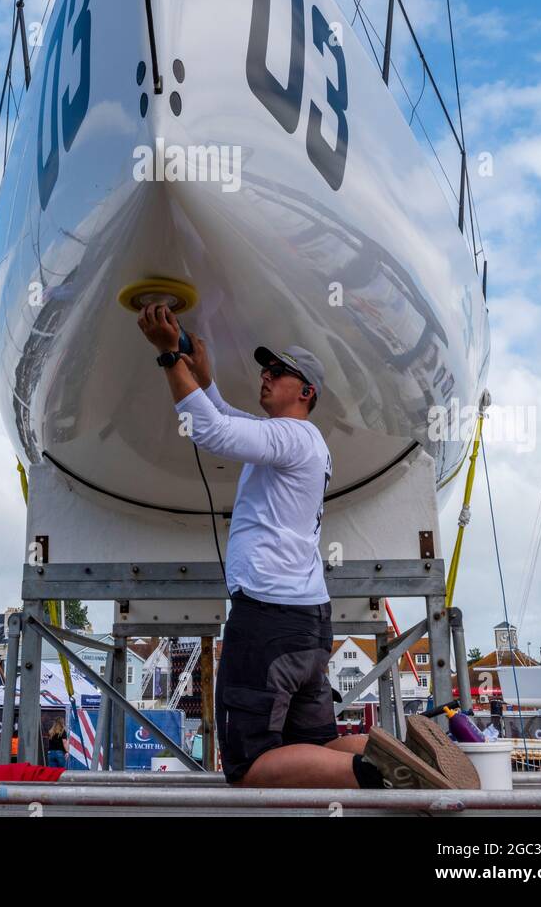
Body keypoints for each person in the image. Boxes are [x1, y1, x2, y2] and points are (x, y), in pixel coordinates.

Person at [137, 305, 480, 792]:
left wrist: (170, 355)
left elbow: (211, 431)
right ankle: (409, 754)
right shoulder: (301, 441)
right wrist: (206, 380)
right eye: (265, 369)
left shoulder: (293, 437)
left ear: (306, 391)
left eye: (277, 372)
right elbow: (228, 418)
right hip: (303, 622)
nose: (265, 376)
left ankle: (377, 772)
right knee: (313, 747)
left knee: (249, 765)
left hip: (269, 619)